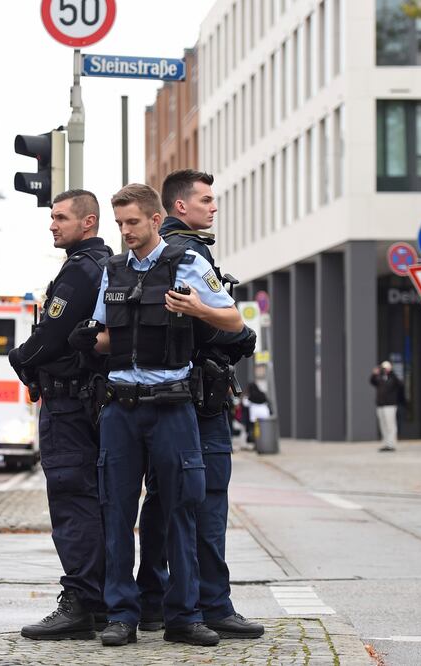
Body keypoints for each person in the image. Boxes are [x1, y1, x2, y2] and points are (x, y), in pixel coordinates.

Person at [69, 183, 243, 648]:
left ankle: (183, 616)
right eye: (120, 223)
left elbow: (235, 321)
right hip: (121, 407)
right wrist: (88, 339)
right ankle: (122, 616)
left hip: (173, 406)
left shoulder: (188, 262)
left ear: (154, 218)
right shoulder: (113, 270)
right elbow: (108, 337)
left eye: (132, 222)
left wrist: (197, 307)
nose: (125, 231)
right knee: (117, 510)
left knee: (183, 510)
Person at [130, 169, 264, 641]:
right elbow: (210, 326)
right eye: (206, 200)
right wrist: (242, 335)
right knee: (205, 500)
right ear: (180, 207)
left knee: (164, 500)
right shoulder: (188, 253)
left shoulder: (153, 253)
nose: (214, 207)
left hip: (164, 399)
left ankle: (154, 601)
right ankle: (212, 603)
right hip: (199, 398)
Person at [9, 189, 113, 640]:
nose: (52, 225)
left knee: (73, 502)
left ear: (87, 222)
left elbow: (49, 336)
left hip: (69, 405)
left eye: (61, 218)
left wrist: (19, 358)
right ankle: (105, 600)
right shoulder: (104, 265)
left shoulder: (80, 271)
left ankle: (81, 604)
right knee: (97, 502)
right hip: (90, 402)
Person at [370, 361, 404, 452]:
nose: (384, 370)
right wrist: (374, 374)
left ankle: (391, 444)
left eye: (386, 368)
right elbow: (372, 381)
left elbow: (400, 384)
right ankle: (385, 443)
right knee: (383, 425)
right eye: (383, 368)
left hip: (390, 405)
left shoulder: (392, 378)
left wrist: (391, 372)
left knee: (390, 425)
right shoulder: (380, 378)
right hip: (381, 405)